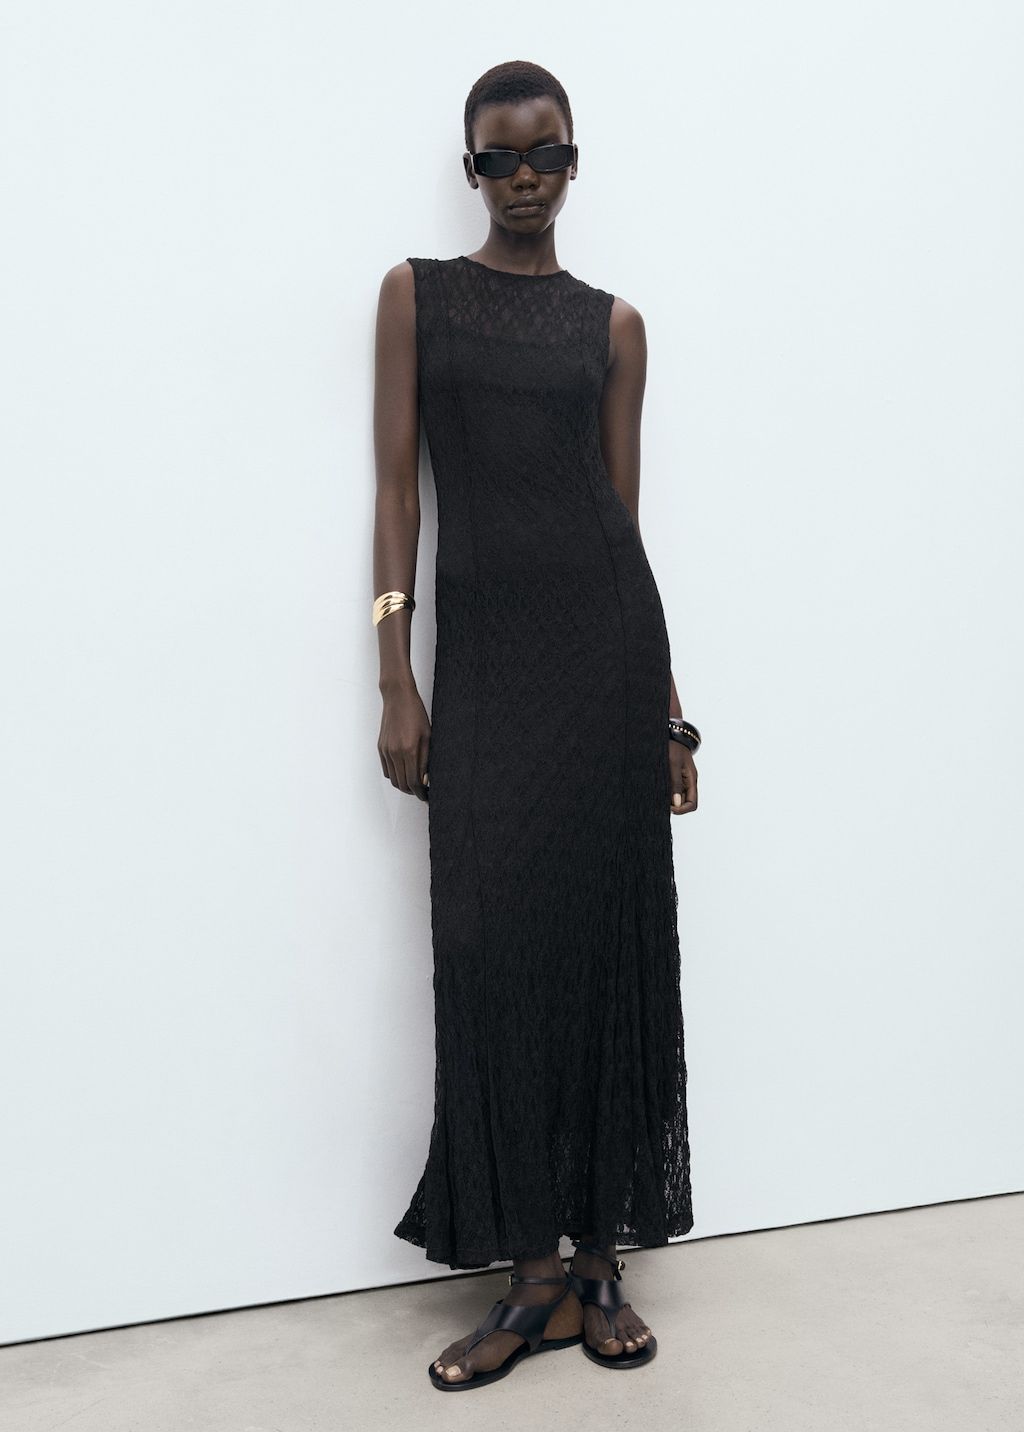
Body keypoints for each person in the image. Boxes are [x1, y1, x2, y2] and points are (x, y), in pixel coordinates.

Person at [372, 59, 700, 1391]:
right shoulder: (416, 296)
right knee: (489, 950)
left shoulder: (614, 326)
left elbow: (625, 526)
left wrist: (669, 716)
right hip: (488, 676)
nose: (524, 178)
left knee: (602, 957)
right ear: (470, 170)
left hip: (603, 668)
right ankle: (528, 1274)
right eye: (499, 158)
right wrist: (394, 673)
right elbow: (396, 494)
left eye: (546, 154)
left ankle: (599, 1265)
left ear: (575, 161)